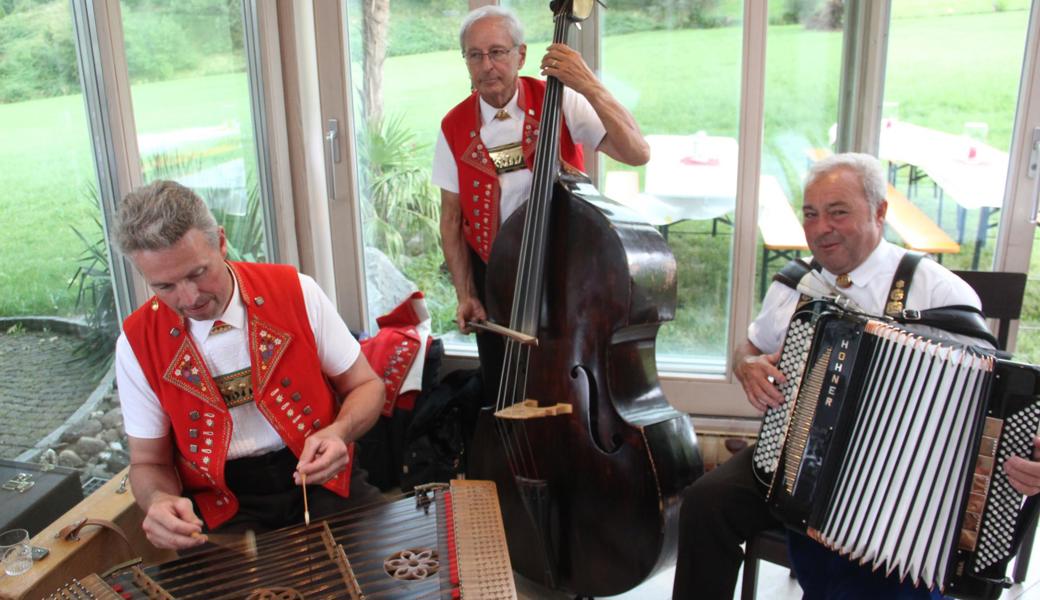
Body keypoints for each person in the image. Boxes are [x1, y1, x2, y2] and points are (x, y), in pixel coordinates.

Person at [671, 153, 1040, 599]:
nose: (820, 227)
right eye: (811, 214)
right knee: (707, 503)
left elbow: (995, 396)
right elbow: (750, 346)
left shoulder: (938, 291)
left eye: (838, 211)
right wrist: (746, 365)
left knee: (860, 566)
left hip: (903, 477)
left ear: (879, 212)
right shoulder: (796, 285)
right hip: (795, 453)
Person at [114, 180, 385, 550]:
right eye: (165, 286)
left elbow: (366, 386)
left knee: (385, 573)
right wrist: (157, 500)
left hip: (320, 474)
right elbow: (148, 463)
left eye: (197, 273)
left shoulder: (295, 291)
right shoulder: (137, 341)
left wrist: (340, 432)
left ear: (221, 242)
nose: (190, 298)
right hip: (220, 503)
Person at [434, 5, 649, 401]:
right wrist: (466, 293)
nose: (487, 65)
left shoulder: (560, 99)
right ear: (465, 61)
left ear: (521, 55)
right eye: (475, 55)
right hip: (497, 280)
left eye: (498, 52)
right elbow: (451, 218)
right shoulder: (453, 126)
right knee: (505, 388)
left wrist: (588, 84)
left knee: (575, 388)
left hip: (571, 273)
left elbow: (637, 152)